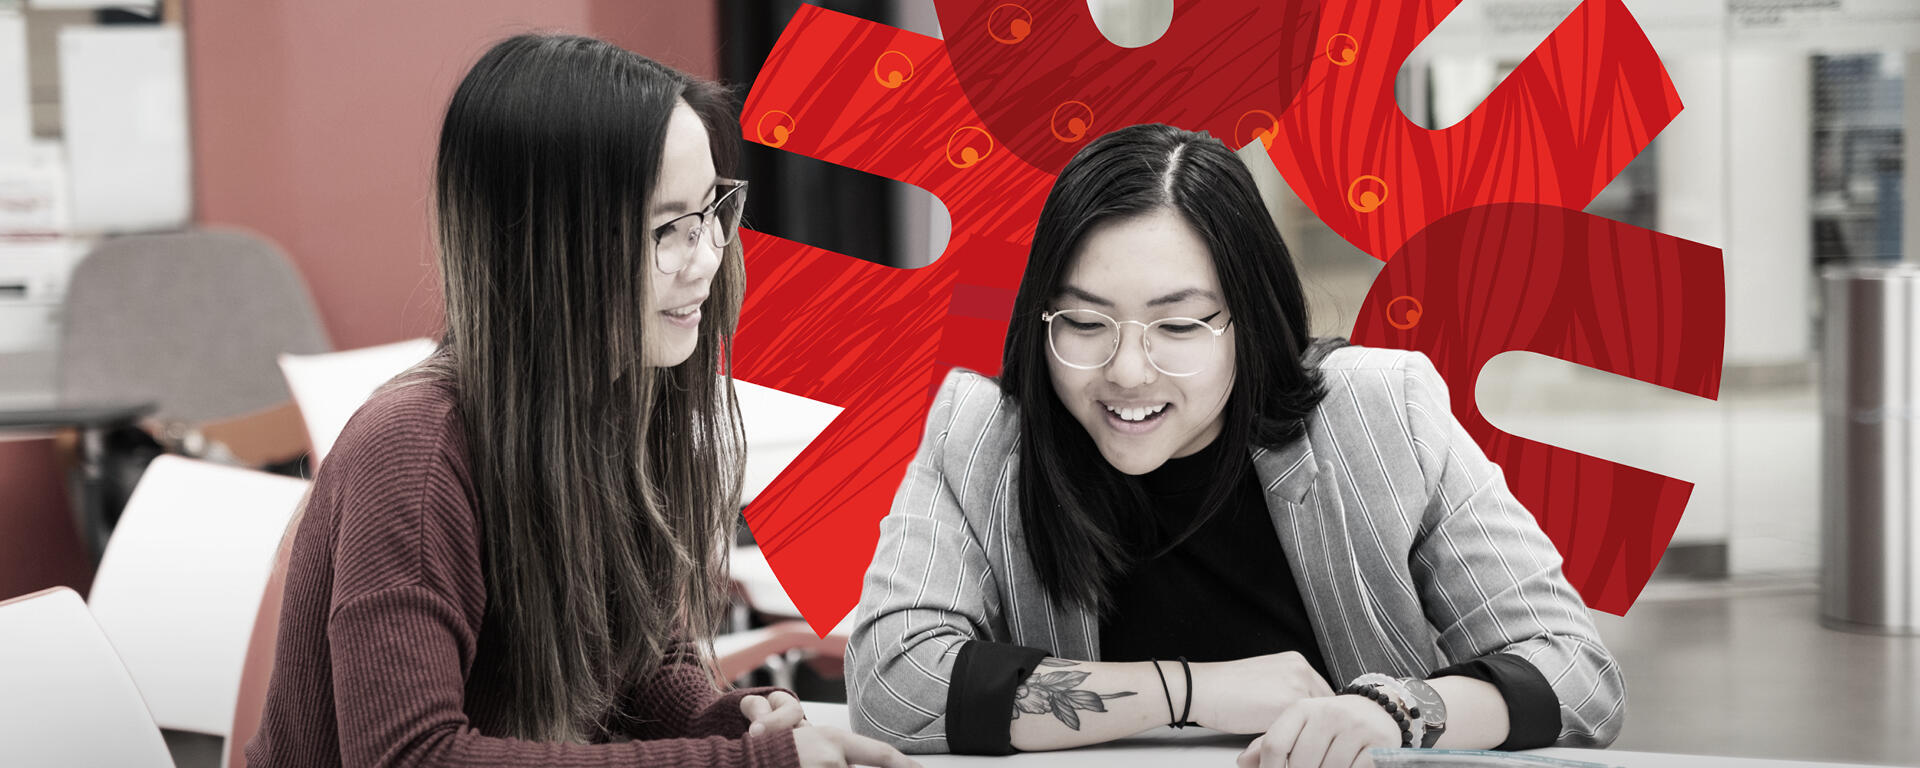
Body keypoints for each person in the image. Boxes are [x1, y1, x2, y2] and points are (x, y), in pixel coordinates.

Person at [847, 124, 1624, 766]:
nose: (1125, 370)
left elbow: (1576, 673)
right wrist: (1194, 692)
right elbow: (891, 685)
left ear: (1248, 322)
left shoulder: (1381, 414)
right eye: (1084, 323)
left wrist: (1397, 710)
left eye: (1178, 325)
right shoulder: (983, 435)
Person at [246, 34, 914, 768]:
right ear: (552, 243)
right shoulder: (415, 452)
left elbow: (641, 669)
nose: (707, 259)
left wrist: (733, 720)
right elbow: (411, 757)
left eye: (712, 212)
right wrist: (745, 763)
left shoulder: (620, 400)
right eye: (668, 229)